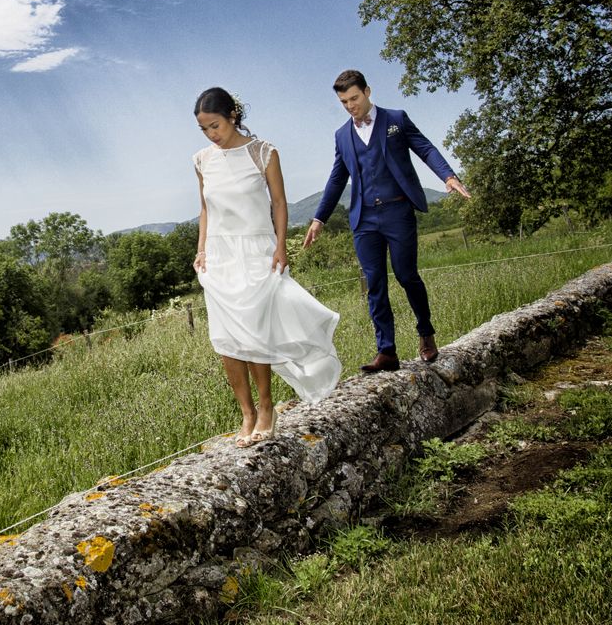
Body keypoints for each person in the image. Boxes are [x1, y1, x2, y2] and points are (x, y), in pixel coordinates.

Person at [192, 87, 341, 445]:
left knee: (256, 333)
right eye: (204, 129)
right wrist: (201, 250)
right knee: (227, 339)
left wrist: (280, 246)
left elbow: (278, 202)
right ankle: (245, 413)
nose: (212, 134)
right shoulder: (200, 161)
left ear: (232, 116)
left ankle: (266, 408)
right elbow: (205, 209)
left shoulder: (263, 152)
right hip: (220, 255)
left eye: (215, 125)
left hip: (257, 250)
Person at [303, 69, 469, 371]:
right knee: (375, 283)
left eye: (354, 98)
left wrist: (447, 176)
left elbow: (425, 148)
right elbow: (337, 178)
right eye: (344, 102)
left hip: (397, 212)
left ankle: (426, 332)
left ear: (367, 91)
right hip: (364, 218)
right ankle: (387, 351)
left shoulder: (396, 119)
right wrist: (319, 219)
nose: (351, 105)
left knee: (407, 276)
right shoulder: (342, 136)